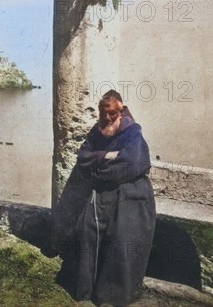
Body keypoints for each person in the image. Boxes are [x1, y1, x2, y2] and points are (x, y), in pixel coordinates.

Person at [52, 90, 156, 306]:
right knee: (86, 228)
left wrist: (98, 166)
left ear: (121, 113)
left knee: (121, 237)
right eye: (104, 115)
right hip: (101, 193)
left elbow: (133, 164)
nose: (108, 120)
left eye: (113, 116)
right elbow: (83, 157)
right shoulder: (99, 129)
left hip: (130, 194)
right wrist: (107, 156)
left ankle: (112, 295)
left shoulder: (132, 132)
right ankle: (88, 289)